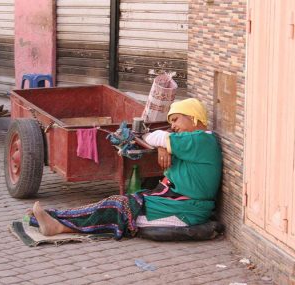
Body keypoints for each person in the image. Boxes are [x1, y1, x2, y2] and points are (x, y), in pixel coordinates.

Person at [28, 98, 223, 239]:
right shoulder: (193, 141)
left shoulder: (202, 140)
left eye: (176, 119)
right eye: (171, 121)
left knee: (118, 207)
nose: (173, 126)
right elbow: (152, 138)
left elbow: (153, 137)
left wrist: (164, 143)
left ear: (194, 118)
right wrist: (165, 146)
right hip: (173, 201)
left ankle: (60, 226)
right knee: (117, 202)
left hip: (185, 210)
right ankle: (54, 216)